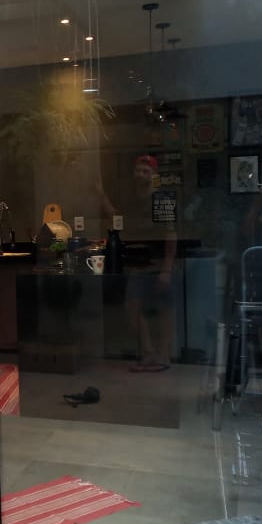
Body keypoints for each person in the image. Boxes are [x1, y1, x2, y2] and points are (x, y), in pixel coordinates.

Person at [97, 154, 177, 372]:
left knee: (164, 309)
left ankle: (164, 356)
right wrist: (101, 195)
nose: (141, 174)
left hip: (159, 264)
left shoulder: (161, 199)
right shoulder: (130, 199)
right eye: (138, 170)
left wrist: (167, 270)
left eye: (146, 171)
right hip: (138, 265)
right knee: (132, 306)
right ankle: (149, 353)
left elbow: (171, 236)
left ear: (153, 175)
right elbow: (117, 218)